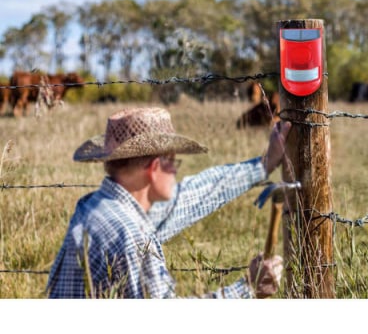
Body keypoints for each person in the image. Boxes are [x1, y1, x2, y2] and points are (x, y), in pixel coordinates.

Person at [46, 106, 291, 299]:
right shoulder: (133, 238)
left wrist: (264, 164)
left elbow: (191, 197)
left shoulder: (93, 207)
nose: (175, 172)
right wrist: (247, 289)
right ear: (154, 168)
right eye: (174, 163)